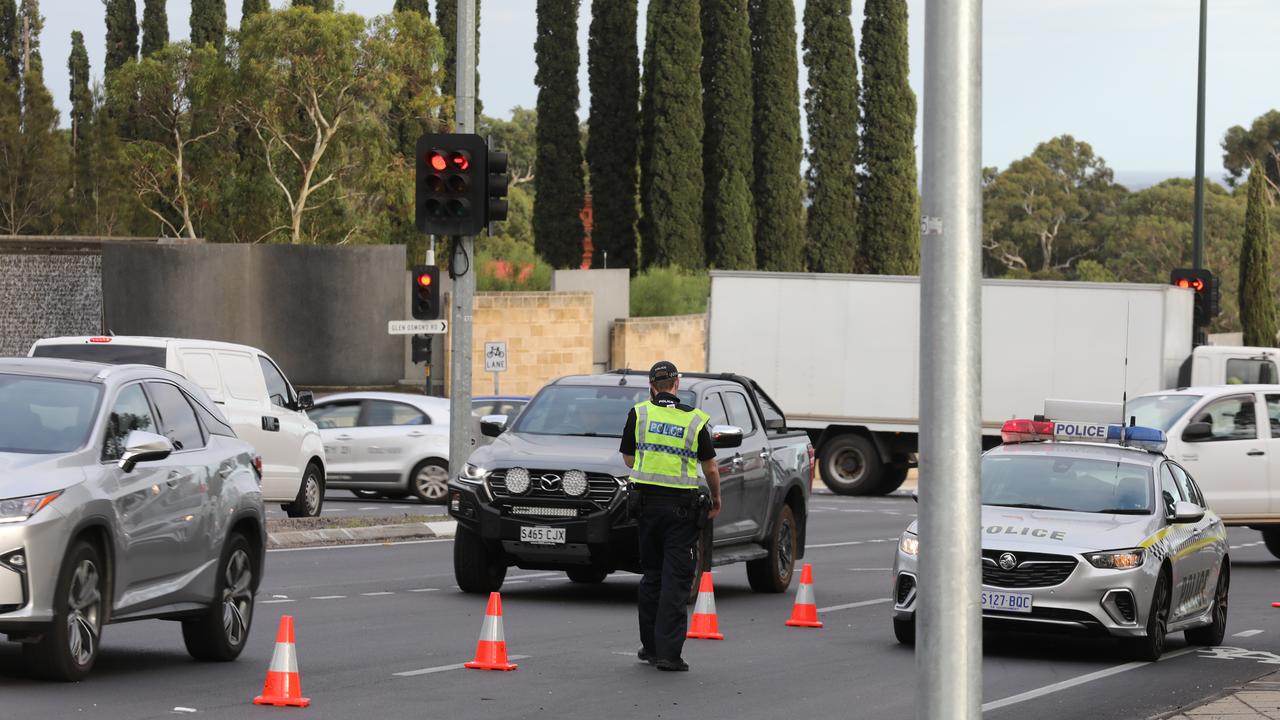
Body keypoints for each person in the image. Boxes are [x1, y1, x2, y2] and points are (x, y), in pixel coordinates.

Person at [620, 361, 721, 672]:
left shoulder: (640, 413)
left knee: (651, 577)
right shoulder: (694, 420)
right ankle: (668, 654)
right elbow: (710, 467)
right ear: (678, 383)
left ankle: (650, 648)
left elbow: (628, 457)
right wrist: (716, 498)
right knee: (676, 582)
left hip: (647, 507)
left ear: (651, 386)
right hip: (681, 510)